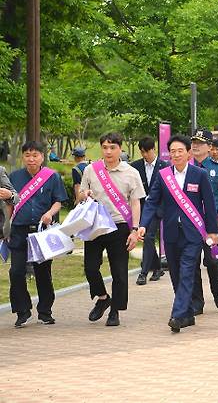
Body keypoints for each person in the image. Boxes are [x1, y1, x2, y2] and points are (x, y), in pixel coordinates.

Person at [137, 134, 218, 333]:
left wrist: (213, 231)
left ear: (189, 153)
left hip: (193, 235)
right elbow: (152, 201)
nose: (176, 155)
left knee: (187, 272)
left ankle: (177, 313)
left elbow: (208, 204)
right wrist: (143, 224)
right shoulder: (164, 175)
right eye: (172, 151)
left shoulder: (199, 175)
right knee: (175, 273)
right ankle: (187, 314)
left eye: (180, 151)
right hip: (171, 233)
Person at [78, 133, 145, 326]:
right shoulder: (91, 170)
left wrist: (134, 229)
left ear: (120, 149)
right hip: (95, 225)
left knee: (119, 272)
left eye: (112, 147)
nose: (108, 151)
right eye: (105, 147)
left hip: (120, 226)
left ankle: (115, 310)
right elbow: (80, 196)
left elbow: (135, 203)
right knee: (90, 268)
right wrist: (85, 194)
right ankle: (102, 297)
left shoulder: (131, 173)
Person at [7, 141, 66, 327]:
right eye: (27, 155)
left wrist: (50, 213)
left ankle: (45, 311)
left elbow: (59, 201)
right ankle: (22, 310)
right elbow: (9, 204)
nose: (31, 159)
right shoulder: (14, 177)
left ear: (42, 156)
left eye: (35, 155)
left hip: (41, 232)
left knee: (43, 272)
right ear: (23, 157)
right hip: (18, 230)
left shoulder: (52, 177)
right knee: (16, 272)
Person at [190, 129, 218, 312]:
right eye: (194, 142)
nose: (196, 146)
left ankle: (217, 292)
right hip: (190, 220)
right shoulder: (185, 166)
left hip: (210, 222)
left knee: (212, 260)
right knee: (192, 262)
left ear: (209, 147)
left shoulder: (217, 167)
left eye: (200, 143)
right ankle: (197, 301)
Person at [131, 136, 169, 285]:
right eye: (142, 152)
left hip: (157, 208)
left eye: (147, 151)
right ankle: (157, 267)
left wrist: (161, 209)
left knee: (148, 237)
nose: (145, 155)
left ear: (154, 149)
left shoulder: (164, 166)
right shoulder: (135, 166)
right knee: (148, 237)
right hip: (140, 208)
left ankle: (143, 272)